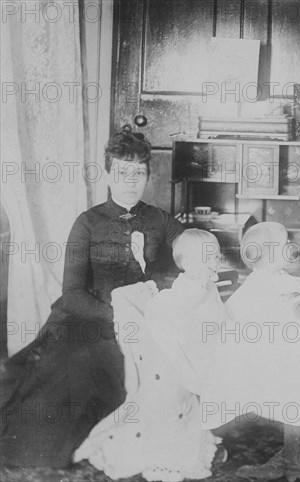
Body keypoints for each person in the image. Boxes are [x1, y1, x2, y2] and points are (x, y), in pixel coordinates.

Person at [0, 126, 185, 468]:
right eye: (122, 172)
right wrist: (118, 315)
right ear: (108, 175)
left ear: (148, 174)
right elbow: (71, 293)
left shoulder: (160, 220)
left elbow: (191, 254)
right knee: (81, 362)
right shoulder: (87, 223)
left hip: (142, 319)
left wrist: (158, 292)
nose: (131, 181)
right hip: (88, 317)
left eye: (139, 173)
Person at [73, 229, 223, 481]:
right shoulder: (184, 291)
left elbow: (214, 317)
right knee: (165, 404)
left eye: (217, 255)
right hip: (171, 356)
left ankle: (182, 445)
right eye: (208, 257)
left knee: (183, 405)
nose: (216, 261)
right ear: (187, 264)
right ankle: (153, 455)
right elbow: (164, 317)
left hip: (193, 354)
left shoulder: (205, 286)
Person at [225, 221, 300, 324]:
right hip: (250, 322)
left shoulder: (275, 273)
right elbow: (286, 283)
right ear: (271, 256)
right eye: (286, 243)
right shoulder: (263, 278)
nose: (290, 245)